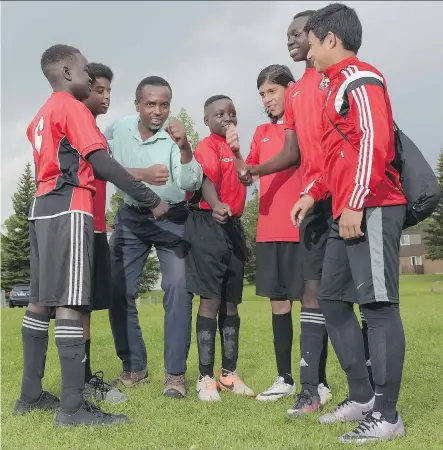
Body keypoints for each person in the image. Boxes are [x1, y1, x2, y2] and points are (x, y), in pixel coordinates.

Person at [15, 44, 168, 427]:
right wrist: (150, 198)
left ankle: (30, 396)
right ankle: (72, 408)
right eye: (85, 71)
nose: (89, 77)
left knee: (39, 301)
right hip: (71, 207)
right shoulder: (71, 107)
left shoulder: (41, 113)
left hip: (41, 208)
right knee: (70, 302)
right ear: (67, 73)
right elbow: (100, 162)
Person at [240, 10, 373, 416]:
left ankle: (368, 382)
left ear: (319, 35)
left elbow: (362, 138)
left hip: (349, 197)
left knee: (365, 297)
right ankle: (310, 389)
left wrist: (350, 193)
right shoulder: (296, 95)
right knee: (314, 293)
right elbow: (295, 152)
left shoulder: (339, 80)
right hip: (315, 203)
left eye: (298, 33)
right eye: (288, 35)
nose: (292, 40)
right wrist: (305, 190)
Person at [291, 4, 407, 443]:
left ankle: (388, 415)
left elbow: (375, 142)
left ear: (331, 40)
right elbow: (333, 154)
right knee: (333, 301)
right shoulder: (331, 86)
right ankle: (361, 396)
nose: (308, 51)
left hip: (373, 206)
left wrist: (356, 201)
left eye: (312, 42)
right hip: (346, 209)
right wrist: (312, 192)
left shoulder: (360, 78)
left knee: (377, 308)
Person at [104, 76, 203, 399]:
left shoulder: (175, 137)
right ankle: (134, 366)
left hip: (172, 220)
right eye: (150, 104)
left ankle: (174, 375)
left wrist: (185, 146)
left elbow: (190, 183)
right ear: (137, 106)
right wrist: (144, 176)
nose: (157, 111)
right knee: (118, 288)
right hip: (131, 218)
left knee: (177, 288)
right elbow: (101, 164)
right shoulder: (118, 129)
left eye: (163, 105)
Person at [241, 64, 331, 406]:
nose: (267, 99)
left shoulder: (305, 127)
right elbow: (245, 173)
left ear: (289, 89)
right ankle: (285, 378)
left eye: (272, 91)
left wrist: (253, 169)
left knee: (312, 304)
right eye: (262, 94)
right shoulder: (260, 131)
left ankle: (318, 381)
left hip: (302, 227)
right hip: (268, 230)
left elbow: (293, 160)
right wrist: (241, 166)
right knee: (279, 304)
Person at [185, 95, 254, 402]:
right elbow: (205, 182)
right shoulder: (207, 147)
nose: (227, 117)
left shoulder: (236, 149)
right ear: (207, 120)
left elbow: (245, 183)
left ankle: (229, 374)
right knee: (211, 300)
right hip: (207, 224)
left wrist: (240, 234)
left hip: (231, 225)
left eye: (232, 113)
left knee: (231, 302)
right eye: (219, 114)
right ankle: (205, 377)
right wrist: (216, 206)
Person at [80, 62, 126, 404]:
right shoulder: (77, 126)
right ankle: (79, 381)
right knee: (76, 307)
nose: (107, 96)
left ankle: (83, 377)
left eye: (109, 90)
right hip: (76, 225)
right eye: (100, 90)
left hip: (97, 228)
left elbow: (109, 171)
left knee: (88, 307)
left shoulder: (96, 131)